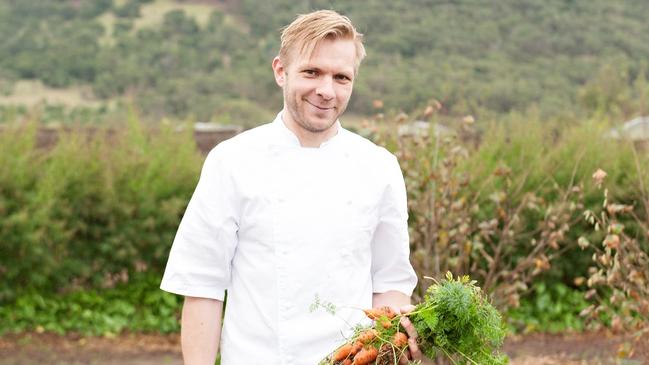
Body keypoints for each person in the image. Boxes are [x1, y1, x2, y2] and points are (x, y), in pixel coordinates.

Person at [161, 9, 424, 365]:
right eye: (312, 72)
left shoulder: (379, 167)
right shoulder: (232, 161)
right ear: (281, 71)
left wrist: (387, 344)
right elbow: (202, 288)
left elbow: (389, 280)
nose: (326, 90)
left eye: (341, 77)